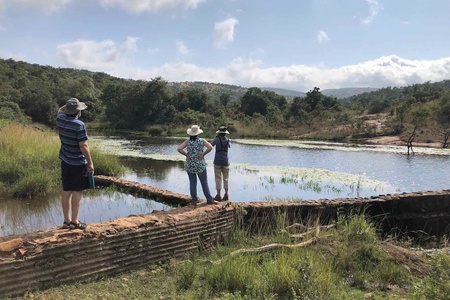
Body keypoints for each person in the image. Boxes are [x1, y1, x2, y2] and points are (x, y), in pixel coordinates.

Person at [56, 98, 94, 229]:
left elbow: (60, 110)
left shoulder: (60, 118)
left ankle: (66, 222)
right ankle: (75, 222)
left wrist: (67, 106)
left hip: (65, 161)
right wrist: (90, 163)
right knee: (77, 191)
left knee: (66, 190)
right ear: (78, 111)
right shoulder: (79, 125)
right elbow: (83, 145)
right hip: (77, 163)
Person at [177, 125, 214, 206]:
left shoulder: (187, 141)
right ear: (198, 133)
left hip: (190, 164)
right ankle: (209, 199)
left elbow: (179, 149)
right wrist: (203, 154)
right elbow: (210, 147)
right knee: (204, 182)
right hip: (200, 164)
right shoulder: (202, 141)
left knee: (192, 183)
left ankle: (194, 200)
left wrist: (186, 155)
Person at [211, 126, 231, 201]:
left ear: (219, 133)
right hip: (226, 161)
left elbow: (211, 145)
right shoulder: (228, 140)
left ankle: (218, 195)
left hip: (217, 161)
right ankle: (226, 194)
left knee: (218, 178)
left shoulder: (216, 139)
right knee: (226, 179)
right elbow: (229, 146)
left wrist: (216, 138)